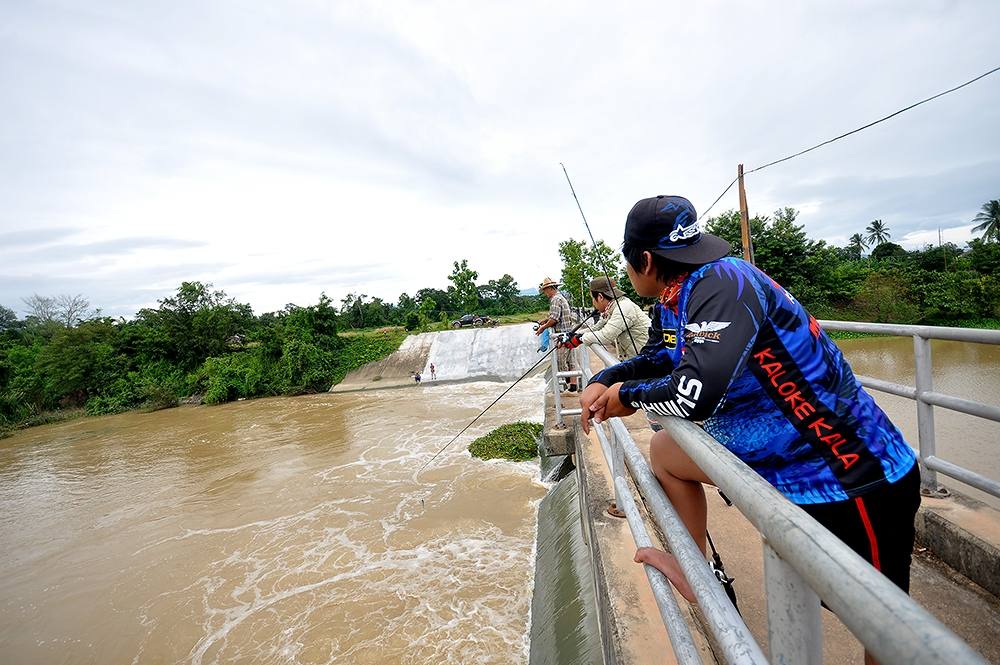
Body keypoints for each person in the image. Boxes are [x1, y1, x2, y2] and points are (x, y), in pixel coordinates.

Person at [579, 195, 919, 665]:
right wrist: (606, 379)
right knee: (665, 450)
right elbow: (661, 356)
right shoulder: (674, 295)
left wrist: (627, 398)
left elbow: (695, 394)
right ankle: (693, 566)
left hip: (847, 471)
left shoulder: (722, 283)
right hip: (780, 461)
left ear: (645, 260)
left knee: (883, 629)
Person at [561, 276, 650, 360]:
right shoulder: (611, 308)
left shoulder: (623, 307)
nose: (593, 302)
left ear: (600, 297)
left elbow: (606, 336)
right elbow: (596, 328)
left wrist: (579, 339)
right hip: (638, 358)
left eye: (592, 298)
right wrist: (574, 334)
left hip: (650, 359)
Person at [535, 277, 578, 391]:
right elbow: (555, 316)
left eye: (545, 290)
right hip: (569, 334)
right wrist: (545, 321)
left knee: (561, 361)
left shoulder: (555, 299)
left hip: (561, 336)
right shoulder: (561, 298)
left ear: (550, 288)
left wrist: (542, 328)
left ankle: (566, 384)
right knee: (571, 361)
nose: (545, 293)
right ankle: (573, 386)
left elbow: (554, 319)